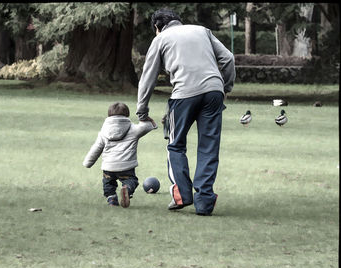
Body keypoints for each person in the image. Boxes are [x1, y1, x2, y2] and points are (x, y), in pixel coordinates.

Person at [136, 8, 236, 216]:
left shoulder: (161, 38)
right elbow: (228, 58)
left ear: (157, 27)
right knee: (208, 147)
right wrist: (225, 87)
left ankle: (182, 195)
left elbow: (148, 77)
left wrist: (142, 111)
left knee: (175, 145)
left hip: (183, 94)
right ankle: (204, 203)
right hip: (213, 92)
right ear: (178, 21)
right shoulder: (202, 31)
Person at [83, 102, 157, 208]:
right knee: (131, 180)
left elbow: (96, 148)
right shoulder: (133, 129)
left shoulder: (104, 131)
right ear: (127, 115)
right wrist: (148, 119)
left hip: (109, 167)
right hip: (126, 166)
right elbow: (146, 126)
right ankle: (127, 188)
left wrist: (88, 163)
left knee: (108, 183)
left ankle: (112, 199)